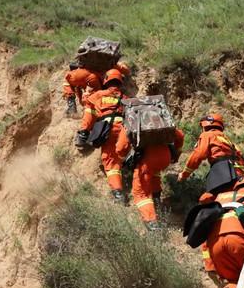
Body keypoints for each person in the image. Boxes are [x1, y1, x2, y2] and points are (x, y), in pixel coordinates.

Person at [115, 126, 184, 230]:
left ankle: (151, 222)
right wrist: (177, 151)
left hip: (148, 158)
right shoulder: (158, 117)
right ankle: (156, 202)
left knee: (140, 193)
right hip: (165, 156)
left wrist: (124, 156)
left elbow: (120, 148)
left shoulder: (133, 118)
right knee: (153, 174)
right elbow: (180, 135)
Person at [77, 69, 127, 203]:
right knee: (122, 155)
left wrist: (83, 132)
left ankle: (118, 193)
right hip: (124, 130)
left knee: (110, 163)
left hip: (108, 130)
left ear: (106, 80)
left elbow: (89, 113)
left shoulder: (99, 95)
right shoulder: (125, 97)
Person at [177, 113, 244, 192]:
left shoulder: (207, 135)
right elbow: (240, 155)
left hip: (224, 176)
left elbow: (198, 155)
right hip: (242, 175)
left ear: (204, 126)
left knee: (208, 199)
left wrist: (184, 174)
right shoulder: (227, 140)